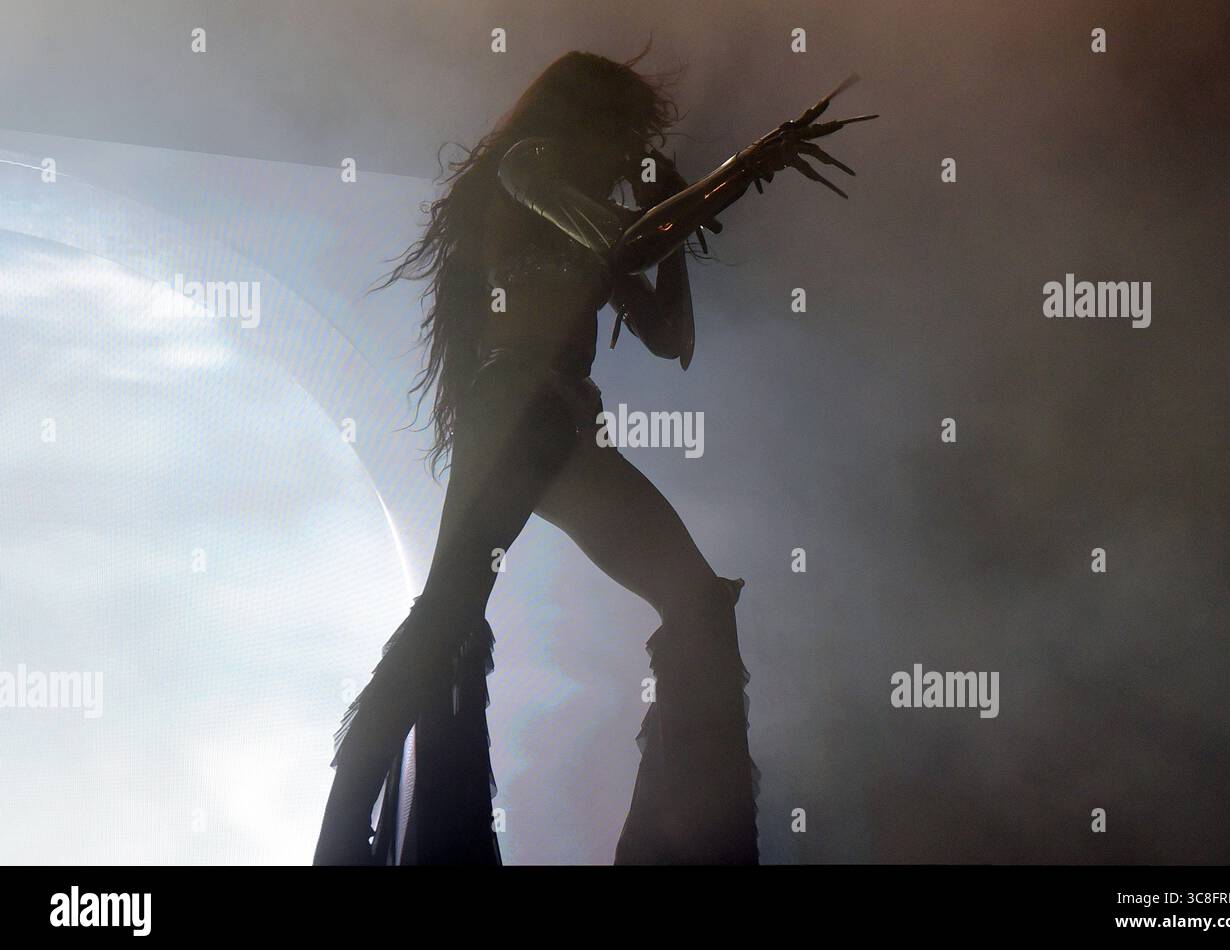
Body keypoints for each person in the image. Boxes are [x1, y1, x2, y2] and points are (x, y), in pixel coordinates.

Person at [313, 49, 870, 865]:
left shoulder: (586, 218)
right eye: (624, 129)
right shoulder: (528, 166)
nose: (628, 147)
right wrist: (742, 169)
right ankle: (341, 840)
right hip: (515, 407)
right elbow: (628, 241)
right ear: (587, 116)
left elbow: (669, 335)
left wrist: (669, 215)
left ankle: (681, 843)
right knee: (449, 612)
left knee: (695, 601)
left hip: (567, 424)